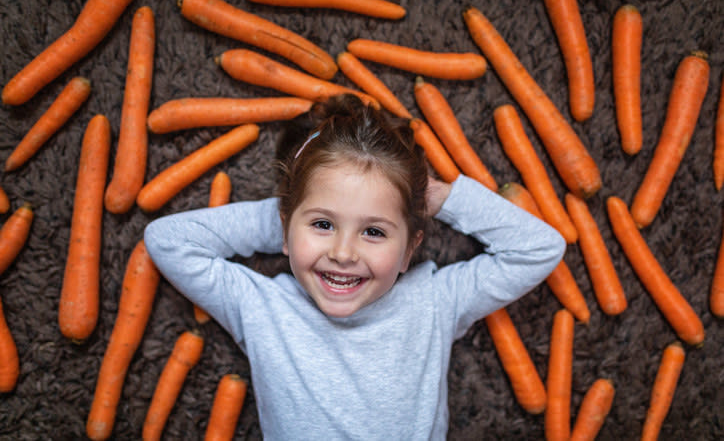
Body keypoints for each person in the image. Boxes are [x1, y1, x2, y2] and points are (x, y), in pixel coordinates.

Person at [144, 94, 566, 440]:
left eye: (374, 233)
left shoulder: (435, 300)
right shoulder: (261, 306)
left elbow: (539, 249)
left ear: (408, 252)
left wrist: (435, 196)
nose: (344, 253)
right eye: (324, 225)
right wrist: (290, 226)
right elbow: (169, 242)